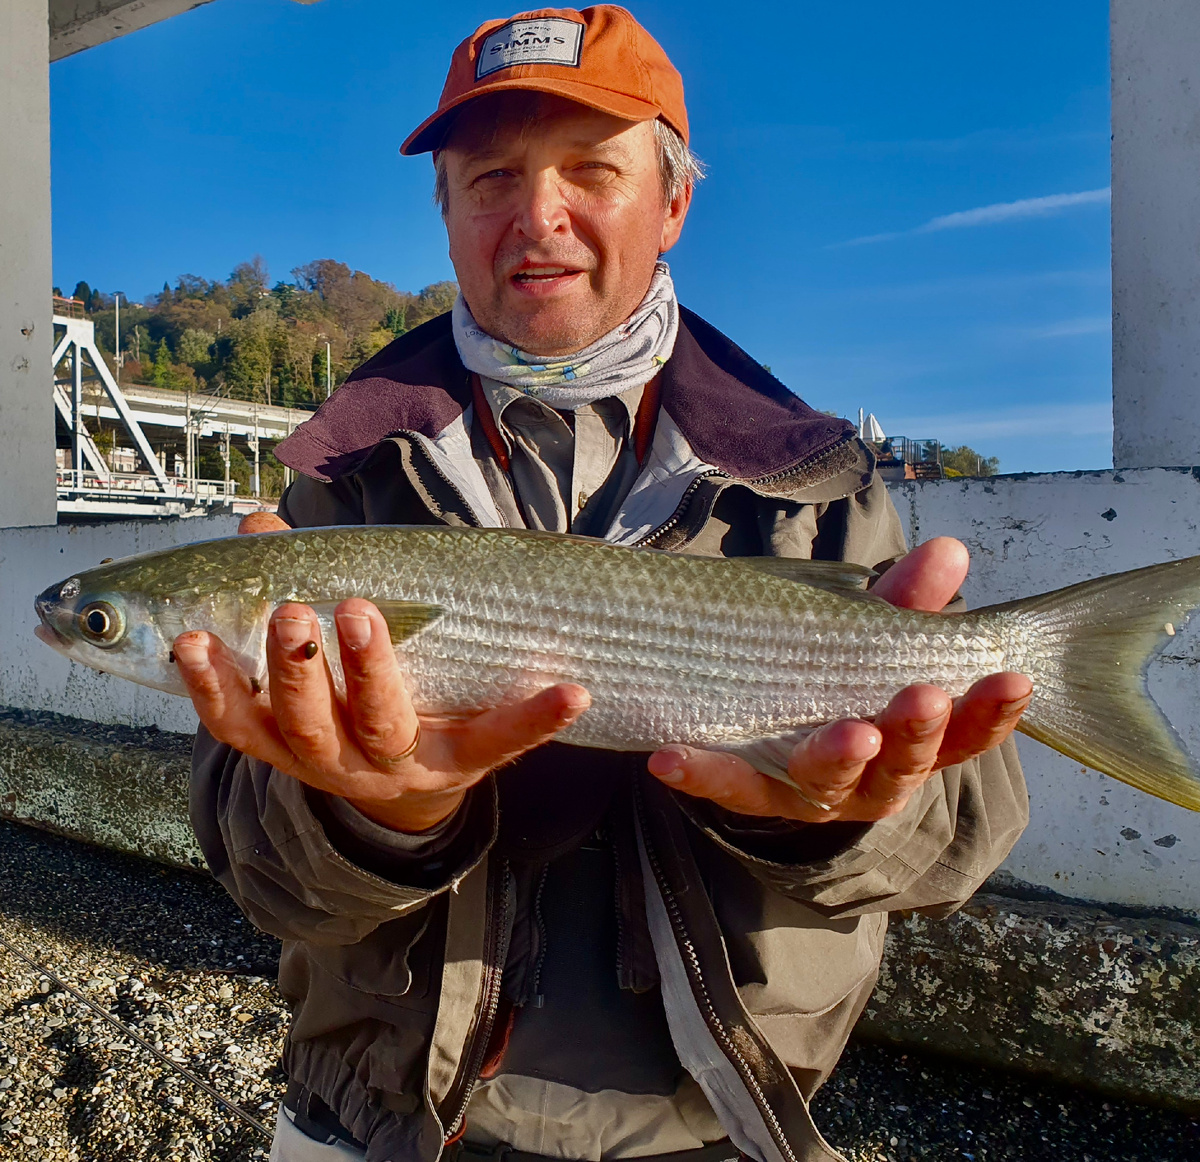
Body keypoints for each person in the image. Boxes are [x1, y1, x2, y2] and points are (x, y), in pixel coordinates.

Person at [180, 8, 1031, 1162]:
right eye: (492, 178)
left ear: (673, 204)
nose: (538, 215)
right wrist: (377, 813)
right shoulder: (337, 480)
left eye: (591, 169)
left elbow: (962, 836)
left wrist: (838, 818)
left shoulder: (817, 479)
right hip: (380, 1119)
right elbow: (256, 868)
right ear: (444, 210)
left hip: (726, 1127)